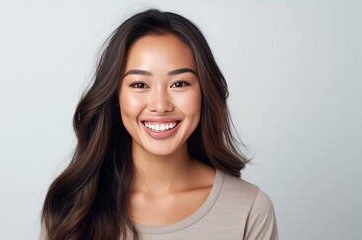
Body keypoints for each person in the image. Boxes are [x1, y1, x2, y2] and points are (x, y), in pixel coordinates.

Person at [40, 9, 278, 240]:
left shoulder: (249, 209)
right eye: (140, 85)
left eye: (179, 84)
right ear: (115, 96)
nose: (160, 105)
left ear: (204, 93)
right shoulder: (71, 207)